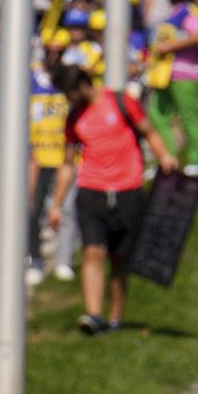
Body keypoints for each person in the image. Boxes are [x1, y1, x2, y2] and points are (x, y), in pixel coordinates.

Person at [48, 64, 179, 335]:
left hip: (126, 188)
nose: (70, 99)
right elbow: (68, 163)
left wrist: (164, 156)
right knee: (92, 251)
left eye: (71, 93)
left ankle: (115, 317)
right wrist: (56, 204)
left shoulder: (120, 102)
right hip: (92, 190)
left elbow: (148, 131)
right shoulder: (74, 118)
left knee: (119, 257)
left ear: (83, 85)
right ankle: (93, 314)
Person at [146, 0, 198, 177]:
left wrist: (170, 46)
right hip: (164, 75)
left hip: (186, 74)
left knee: (189, 118)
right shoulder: (175, 12)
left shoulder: (190, 12)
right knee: (157, 116)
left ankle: (196, 160)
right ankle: (167, 157)